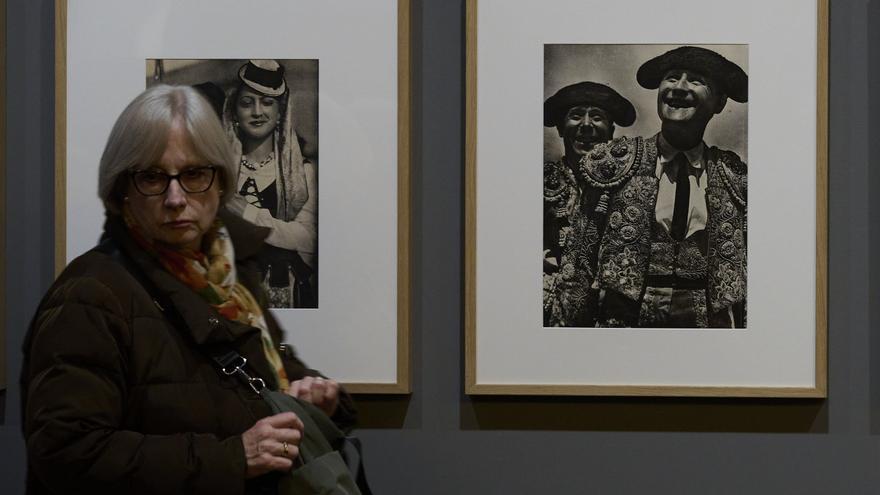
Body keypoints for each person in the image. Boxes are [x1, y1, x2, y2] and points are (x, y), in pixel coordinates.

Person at [21, 85, 355, 494]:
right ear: (123, 190)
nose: (176, 198)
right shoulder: (90, 295)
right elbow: (66, 453)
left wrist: (313, 395)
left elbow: (257, 379)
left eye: (194, 174)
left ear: (221, 182)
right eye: (152, 177)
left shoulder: (228, 275)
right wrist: (232, 458)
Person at [563, 46, 748, 328]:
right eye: (672, 78)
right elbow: (579, 265)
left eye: (695, 81)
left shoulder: (734, 176)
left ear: (720, 102)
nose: (679, 88)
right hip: (625, 328)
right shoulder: (614, 164)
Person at [223, 60, 318, 308]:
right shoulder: (221, 172)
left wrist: (248, 213)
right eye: (247, 103)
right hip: (230, 292)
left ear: (279, 113)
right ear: (234, 112)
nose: (257, 112)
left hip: (283, 292)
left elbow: (307, 239)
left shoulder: (302, 172)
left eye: (267, 102)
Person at [542, 81, 636, 326]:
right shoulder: (539, 183)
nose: (586, 125)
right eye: (575, 116)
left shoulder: (628, 187)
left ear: (611, 130)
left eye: (596, 117)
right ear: (560, 129)